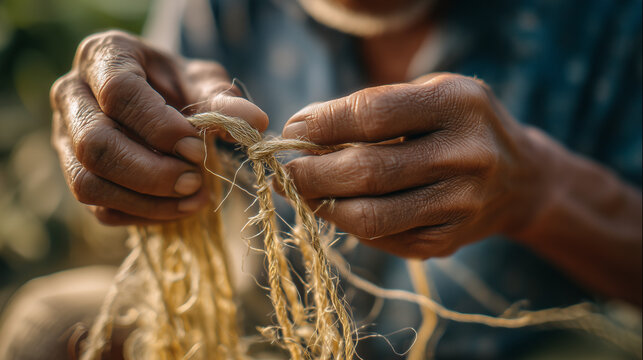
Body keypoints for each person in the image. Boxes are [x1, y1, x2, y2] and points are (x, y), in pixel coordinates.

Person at [34, 0, 643, 358]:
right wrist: (129, 138)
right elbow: (156, 122)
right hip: (275, 333)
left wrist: (541, 191)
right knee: (49, 326)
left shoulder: (613, 22)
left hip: (521, 347)